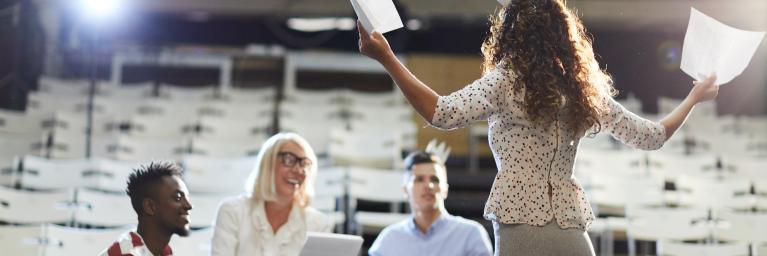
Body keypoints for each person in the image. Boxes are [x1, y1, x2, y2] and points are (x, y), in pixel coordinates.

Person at [357, 0, 720, 255]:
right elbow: (652, 136)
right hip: (569, 226)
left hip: (520, 222)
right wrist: (693, 99)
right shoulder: (583, 89)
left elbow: (441, 113)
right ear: (563, 35)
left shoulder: (505, 81)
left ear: (510, 34)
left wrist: (387, 57)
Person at [211, 132, 333, 256]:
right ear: (268, 164)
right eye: (288, 160)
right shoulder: (232, 211)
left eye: (304, 164)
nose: (298, 170)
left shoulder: (318, 224)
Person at [369, 141, 493, 256]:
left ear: (445, 189)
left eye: (435, 179)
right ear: (405, 191)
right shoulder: (388, 240)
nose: (428, 185)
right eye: (419, 179)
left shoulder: (470, 235)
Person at [100, 162, 193, 256]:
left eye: (187, 197)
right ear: (150, 207)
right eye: (177, 197)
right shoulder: (127, 253)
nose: (189, 205)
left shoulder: (164, 251)